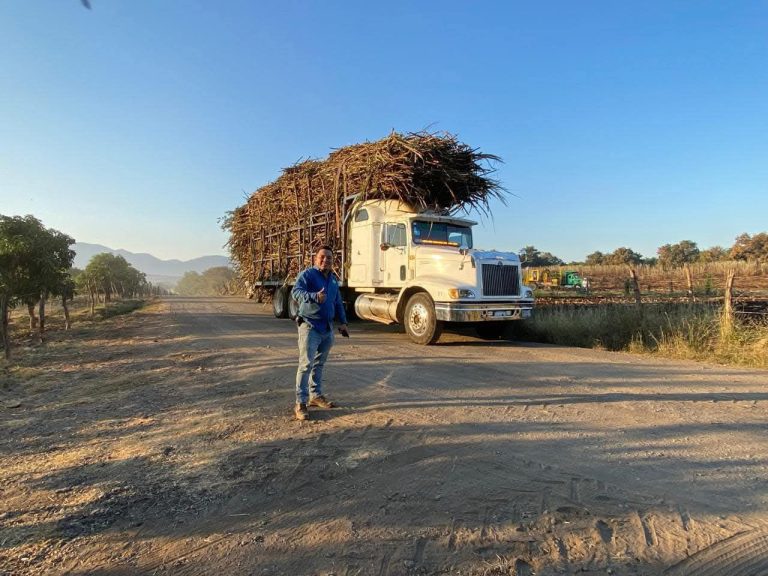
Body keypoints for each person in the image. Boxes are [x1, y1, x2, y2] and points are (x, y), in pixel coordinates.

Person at [291, 245, 349, 421]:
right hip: (310, 326)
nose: (325, 260)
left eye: (329, 258)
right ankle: (300, 403)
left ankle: (315, 396)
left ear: (333, 261)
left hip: (327, 328)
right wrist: (314, 296)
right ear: (315, 259)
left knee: (319, 364)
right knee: (305, 365)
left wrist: (343, 322)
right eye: (322, 257)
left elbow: (337, 302)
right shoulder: (308, 275)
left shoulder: (333, 280)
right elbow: (296, 292)